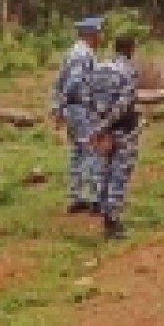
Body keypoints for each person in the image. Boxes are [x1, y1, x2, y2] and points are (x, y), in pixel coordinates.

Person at [84, 35, 140, 240]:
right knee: (119, 174)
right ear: (130, 49)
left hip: (102, 130)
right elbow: (124, 104)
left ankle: (102, 207)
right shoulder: (128, 71)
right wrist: (107, 125)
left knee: (104, 170)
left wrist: (98, 127)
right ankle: (112, 222)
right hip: (122, 130)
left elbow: (88, 98)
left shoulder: (98, 68)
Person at [50, 16, 102, 215]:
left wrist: (57, 107)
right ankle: (94, 198)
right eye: (97, 33)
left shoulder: (72, 51)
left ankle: (75, 197)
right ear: (90, 34)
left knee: (76, 152)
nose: (99, 36)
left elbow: (58, 81)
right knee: (90, 150)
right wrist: (62, 105)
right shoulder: (83, 54)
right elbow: (73, 83)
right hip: (80, 109)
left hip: (73, 110)